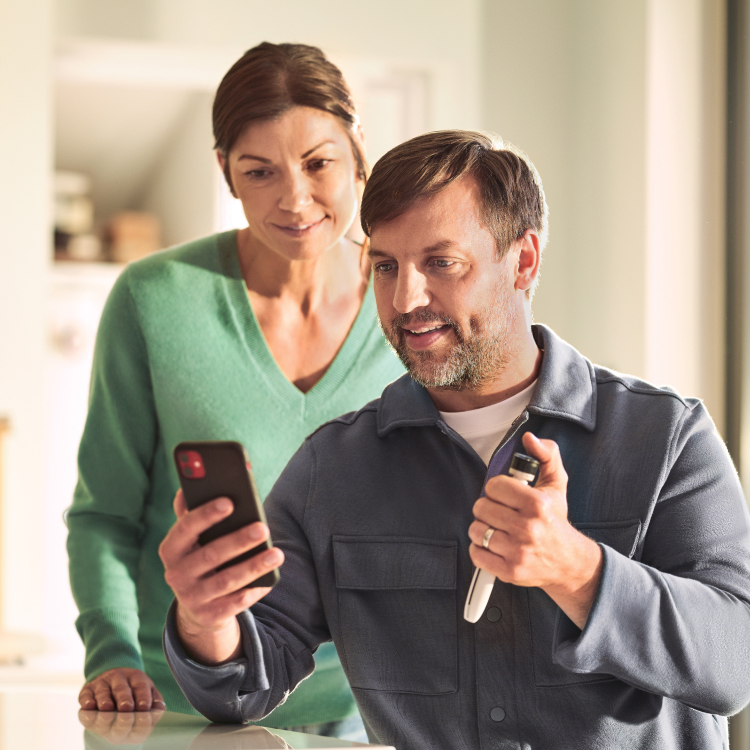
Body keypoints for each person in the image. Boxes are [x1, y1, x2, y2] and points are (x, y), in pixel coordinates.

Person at [159, 130, 750, 749]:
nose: (405, 298)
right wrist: (205, 619)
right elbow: (244, 684)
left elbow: (733, 665)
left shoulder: (666, 438)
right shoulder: (331, 468)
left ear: (523, 262)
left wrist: (575, 570)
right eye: (385, 266)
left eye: (441, 263)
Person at [65, 41, 405, 738]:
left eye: (318, 163)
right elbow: (105, 515)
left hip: (367, 716)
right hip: (186, 712)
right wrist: (110, 655)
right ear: (225, 172)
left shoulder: (411, 306)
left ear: (358, 148)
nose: (296, 198)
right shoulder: (154, 300)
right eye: (260, 171)